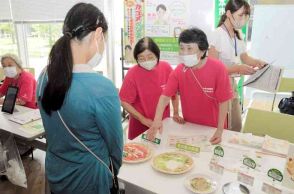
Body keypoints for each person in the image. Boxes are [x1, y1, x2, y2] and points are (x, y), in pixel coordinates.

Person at [37, 3, 123, 194]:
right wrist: (112, 171)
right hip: (90, 178)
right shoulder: (102, 88)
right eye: (104, 40)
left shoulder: (43, 76)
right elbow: (115, 146)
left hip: (56, 173)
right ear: (98, 34)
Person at [148, 28, 233, 145]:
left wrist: (219, 130)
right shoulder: (179, 70)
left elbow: (224, 102)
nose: (184, 53)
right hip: (190, 127)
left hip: (213, 128)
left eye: (189, 49)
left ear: (202, 51)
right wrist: (157, 120)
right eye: (182, 48)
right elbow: (165, 97)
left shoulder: (218, 68)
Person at [208, 0, 266, 132]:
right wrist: (238, 69)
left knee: (236, 126)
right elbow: (212, 70)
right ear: (228, 13)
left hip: (231, 85)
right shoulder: (218, 34)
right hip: (218, 87)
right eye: (241, 15)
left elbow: (245, 58)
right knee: (224, 127)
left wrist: (258, 62)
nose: (244, 19)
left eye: (246, 16)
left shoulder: (237, 35)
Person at [119, 37, 183, 140]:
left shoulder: (165, 68)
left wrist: (175, 112)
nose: (146, 61)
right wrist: (143, 119)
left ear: (157, 55)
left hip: (163, 124)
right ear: (137, 59)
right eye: (141, 58)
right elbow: (124, 101)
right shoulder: (133, 73)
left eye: (150, 57)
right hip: (139, 126)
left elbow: (174, 93)